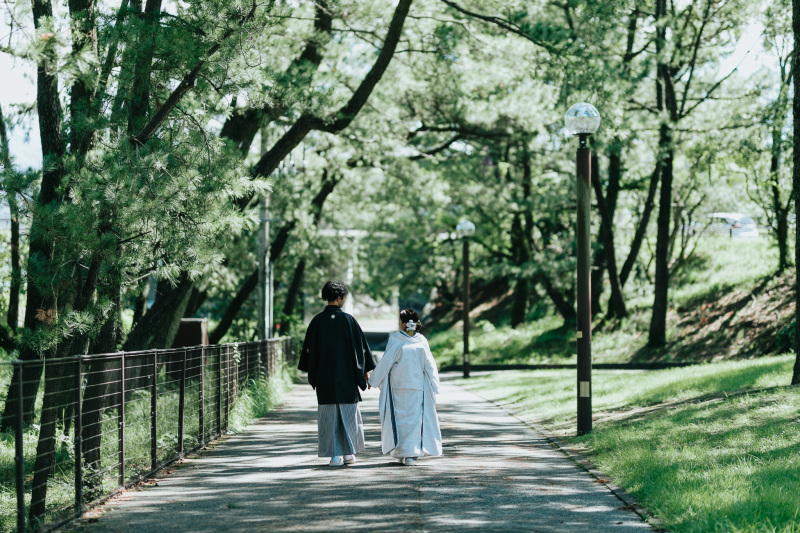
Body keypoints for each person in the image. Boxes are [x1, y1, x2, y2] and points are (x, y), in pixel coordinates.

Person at [297, 280, 376, 466]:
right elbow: (361, 350)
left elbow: (309, 352)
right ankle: (349, 453)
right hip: (347, 378)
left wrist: (314, 374)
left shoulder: (316, 321)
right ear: (339, 297)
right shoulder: (349, 321)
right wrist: (365, 371)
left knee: (328, 416)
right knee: (349, 415)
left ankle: (334, 456)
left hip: (325, 379)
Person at [368, 309, 442, 466]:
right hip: (416, 387)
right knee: (415, 420)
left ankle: (402, 452)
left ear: (402, 324)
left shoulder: (396, 340)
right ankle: (410, 454)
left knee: (400, 420)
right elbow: (430, 366)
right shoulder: (421, 341)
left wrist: (373, 380)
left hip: (398, 386)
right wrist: (435, 386)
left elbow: (386, 362)